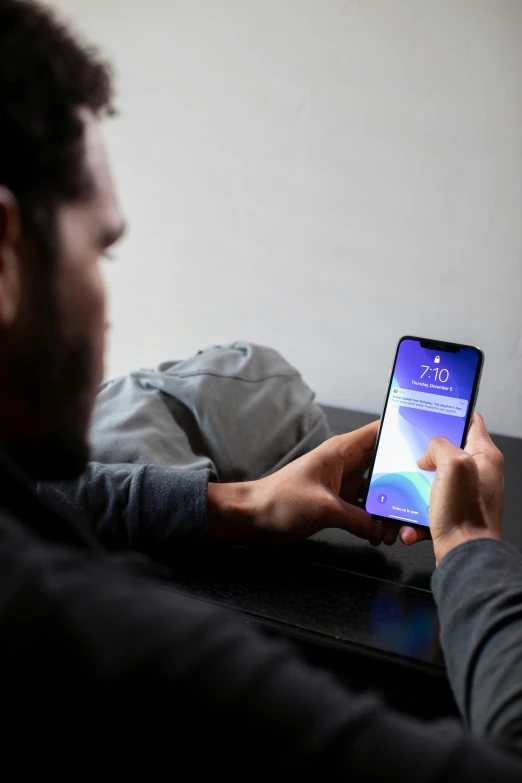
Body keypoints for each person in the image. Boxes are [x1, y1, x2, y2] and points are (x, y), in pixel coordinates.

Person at [0, 1, 520, 777]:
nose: (107, 310)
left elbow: (69, 497)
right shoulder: (105, 650)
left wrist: (246, 503)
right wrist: (473, 551)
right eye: (98, 251)